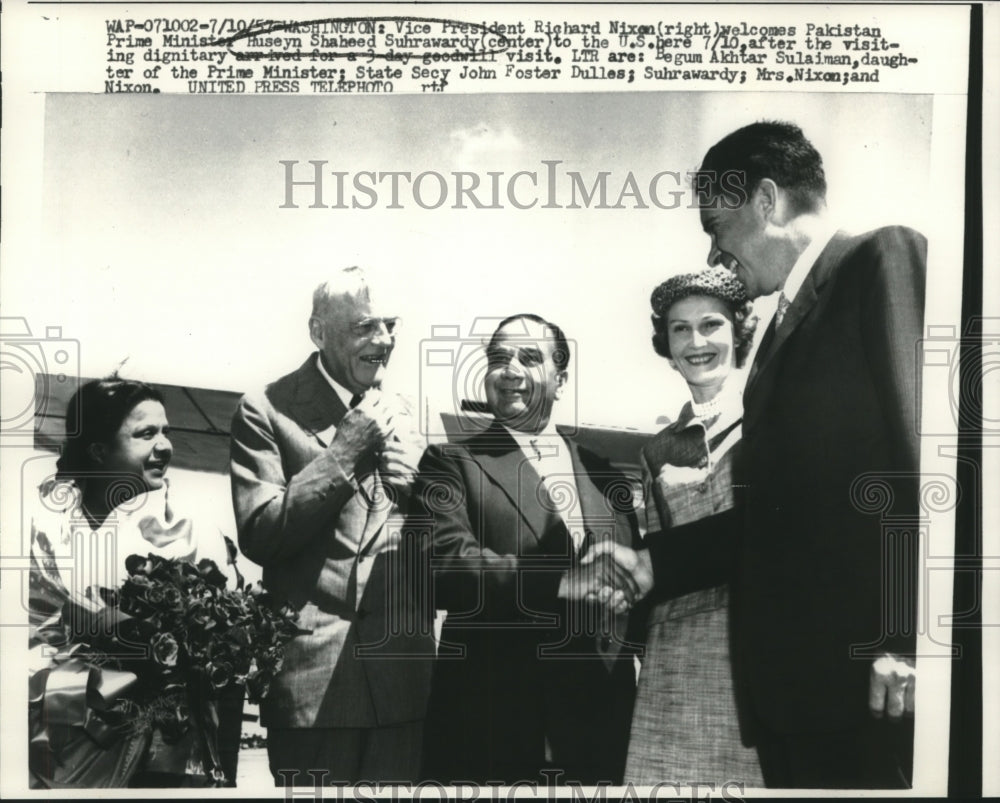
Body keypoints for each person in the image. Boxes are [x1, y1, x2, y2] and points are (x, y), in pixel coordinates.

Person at [588, 121, 924, 788]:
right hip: (799, 703)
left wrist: (912, 638)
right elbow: (782, 516)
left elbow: (935, 466)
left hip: (868, 683)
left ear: (765, 200)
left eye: (716, 224)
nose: (715, 252)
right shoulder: (779, 334)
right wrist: (655, 560)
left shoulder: (879, 259)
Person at [406, 314, 644, 785]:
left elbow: (635, 584)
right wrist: (563, 582)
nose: (509, 369)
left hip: (600, 728)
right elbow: (442, 568)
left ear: (561, 380)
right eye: (498, 358)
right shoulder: (451, 463)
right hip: (493, 731)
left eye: (529, 357)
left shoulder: (604, 476)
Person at [229, 266, 434, 785]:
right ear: (318, 332)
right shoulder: (266, 409)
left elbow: (446, 548)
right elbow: (261, 535)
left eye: (390, 324)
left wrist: (428, 491)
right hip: (311, 689)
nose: (384, 340)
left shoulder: (415, 415)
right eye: (365, 327)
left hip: (404, 688)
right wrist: (344, 452)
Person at [28, 376, 238, 787]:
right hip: (68, 740)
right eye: (145, 434)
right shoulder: (45, 530)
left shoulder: (193, 531)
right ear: (98, 449)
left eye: (166, 432)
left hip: (170, 750)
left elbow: (223, 658)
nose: (164, 446)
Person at [624, 267, 762, 786]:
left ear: (738, 333)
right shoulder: (657, 449)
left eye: (710, 325)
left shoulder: (769, 418)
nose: (696, 341)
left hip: (755, 645)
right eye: (680, 329)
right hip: (676, 658)